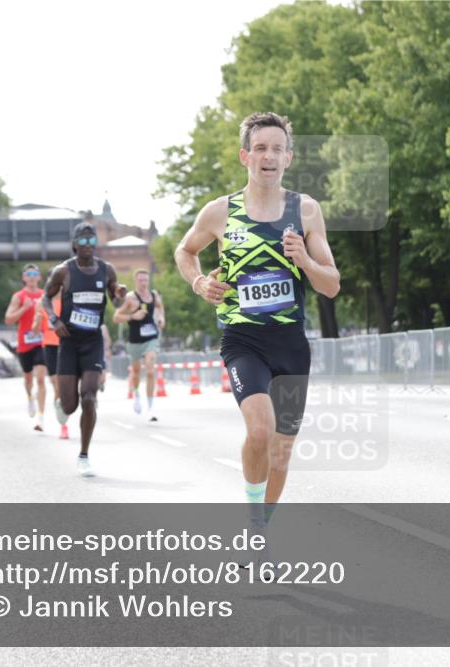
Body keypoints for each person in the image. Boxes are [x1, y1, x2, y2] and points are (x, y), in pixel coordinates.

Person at [174, 112, 340, 567]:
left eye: (277, 148)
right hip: (243, 339)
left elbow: (331, 285)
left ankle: (263, 525)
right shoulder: (220, 211)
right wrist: (197, 283)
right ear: (245, 156)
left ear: (289, 156)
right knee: (260, 431)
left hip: (290, 342)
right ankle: (252, 521)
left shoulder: (306, 211)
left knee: (282, 451)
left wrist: (305, 259)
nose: (269, 156)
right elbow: (185, 250)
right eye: (260, 148)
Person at [42, 222, 127, 476]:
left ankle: (84, 455)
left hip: (92, 342)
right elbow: (46, 297)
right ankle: (61, 403)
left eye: (92, 241)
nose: (88, 245)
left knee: (89, 398)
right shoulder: (63, 271)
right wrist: (54, 320)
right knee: (70, 406)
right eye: (84, 241)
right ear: (75, 244)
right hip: (68, 342)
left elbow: (115, 298)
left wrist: (120, 293)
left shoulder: (106, 269)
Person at [113, 268, 165, 421]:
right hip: (135, 340)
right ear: (136, 281)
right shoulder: (131, 298)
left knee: (150, 369)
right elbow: (116, 317)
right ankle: (136, 395)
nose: (143, 283)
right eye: (140, 280)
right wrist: (132, 316)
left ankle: (150, 407)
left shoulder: (154, 296)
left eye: (145, 280)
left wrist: (161, 319)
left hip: (151, 338)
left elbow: (160, 308)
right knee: (136, 372)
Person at [4, 264, 48, 431]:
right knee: (28, 378)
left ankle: (41, 418)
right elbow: (8, 319)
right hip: (25, 343)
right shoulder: (19, 296)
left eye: (34, 274)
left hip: (41, 342)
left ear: (39, 277)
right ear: (23, 278)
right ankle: (30, 397)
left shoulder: (44, 295)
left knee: (41, 378)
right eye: (28, 274)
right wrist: (25, 308)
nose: (31, 277)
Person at [34, 284, 70, 439]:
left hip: (66, 344)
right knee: (55, 383)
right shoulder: (42, 303)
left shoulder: (68, 301)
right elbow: (35, 330)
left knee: (62, 384)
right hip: (49, 346)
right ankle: (61, 420)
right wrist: (37, 320)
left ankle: (63, 423)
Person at [99, 323, 113, 393]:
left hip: (101, 354)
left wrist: (107, 350)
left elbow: (107, 340)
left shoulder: (103, 327)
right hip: (89, 352)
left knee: (103, 372)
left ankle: (101, 382)